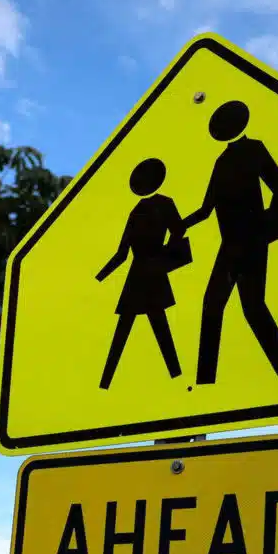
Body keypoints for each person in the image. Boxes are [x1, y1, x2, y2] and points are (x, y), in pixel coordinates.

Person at [182, 99, 278, 386]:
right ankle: (206, 381)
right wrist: (180, 226)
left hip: (252, 240)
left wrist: (266, 224)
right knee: (213, 305)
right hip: (230, 244)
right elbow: (206, 209)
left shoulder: (254, 148)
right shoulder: (221, 162)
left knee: (252, 307)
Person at [96, 157, 189, 390]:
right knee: (130, 328)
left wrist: (164, 256)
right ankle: (105, 384)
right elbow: (122, 254)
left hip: (148, 273)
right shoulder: (137, 211)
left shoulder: (161, 204)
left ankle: (177, 378)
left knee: (158, 326)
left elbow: (178, 231)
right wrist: (98, 277)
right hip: (140, 276)